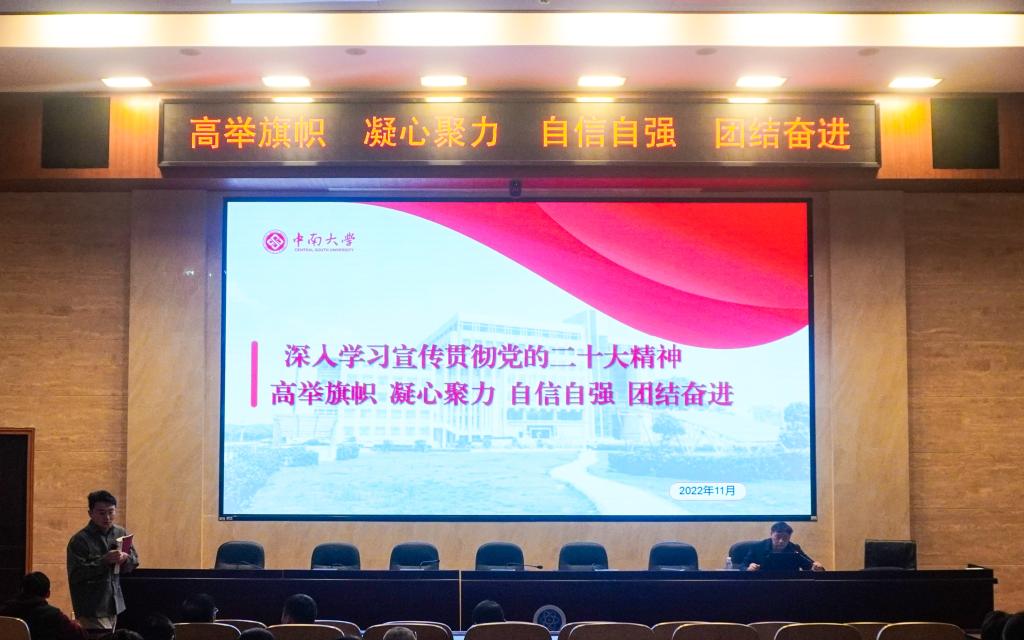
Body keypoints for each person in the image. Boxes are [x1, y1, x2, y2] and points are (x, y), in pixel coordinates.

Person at [66, 490, 140, 636]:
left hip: (115, 604)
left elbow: (135, 560)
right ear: (90, 513)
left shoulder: (121, 533)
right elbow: (75, 574)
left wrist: (125, 559)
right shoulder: (80, 540)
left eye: (111, 512)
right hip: (91, 607)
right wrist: (104, 561)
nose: (107, 517)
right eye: (101, 513)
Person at [0, 572, 87, 640]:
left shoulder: (5, 611)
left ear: (22, 590)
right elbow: (81, 635)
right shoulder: (54, 615)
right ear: (48, 594)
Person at [743, 521, 824, 571]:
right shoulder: (758, 547)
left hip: (789, 585)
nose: (781, 541)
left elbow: (809, 566)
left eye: (785, 538)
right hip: (763, 584)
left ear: (790, 537)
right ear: (771, 534)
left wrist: (816, 568)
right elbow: (742, 566)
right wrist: (749, 568)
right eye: (778, 537)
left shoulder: (794, 549)